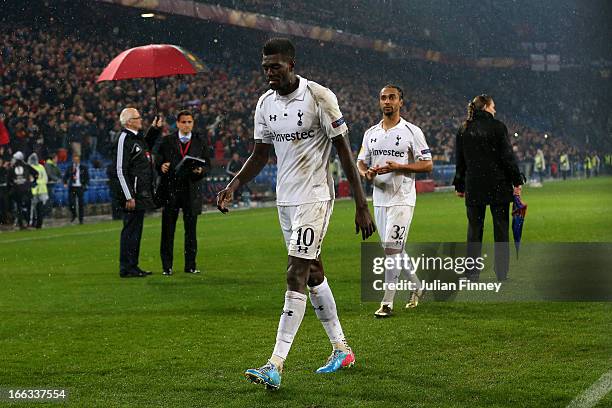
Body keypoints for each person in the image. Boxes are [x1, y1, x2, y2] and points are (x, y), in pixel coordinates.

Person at [216, 38, 375, 390]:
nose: (269, 73)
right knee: (314, 272)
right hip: (285, 201)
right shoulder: (264, 104)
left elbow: (345, 154)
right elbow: (260, 153)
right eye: (265, 67)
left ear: (291, 63)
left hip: (315, 198)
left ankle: (275, 364)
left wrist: (361, 205)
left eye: (275, 66)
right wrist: (234, 185)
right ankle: (341, 348)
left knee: (295, 273)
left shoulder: (319, 96)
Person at [357, 85, 433, 318]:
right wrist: (366, 173)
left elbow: (427, 164)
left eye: (392, 97)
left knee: (391, 248)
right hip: (380, 199)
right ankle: (418, 286)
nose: (387, 101)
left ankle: (387, 302)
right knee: (394, 249)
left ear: (401, 101)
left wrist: (400, 167)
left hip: (402, 198)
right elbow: (360, 161)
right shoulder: (371, 133)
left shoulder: (412, 131)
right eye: (383, 98)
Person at [453, 94, 524, 282]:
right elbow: (507, 158)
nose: (495, 110)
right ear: (485, 107)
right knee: (501, 230)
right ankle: (501, 273)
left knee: (474, 230)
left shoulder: (463, 129)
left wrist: (460, 184)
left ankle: (472, 273)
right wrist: (517, 181)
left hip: (474, 185)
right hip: (498, 185)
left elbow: (460, 161)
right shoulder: (498, 127)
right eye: (493, 106)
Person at [109, 108, 162, 278]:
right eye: (137, 117)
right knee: (130, 230)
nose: (141, 119)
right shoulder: (123, 138)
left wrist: (154, 129)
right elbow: (119, 169)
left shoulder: (135, 138)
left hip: (140, 192)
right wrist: (128, 195)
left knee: (135, 230)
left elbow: (145, 146)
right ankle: (126, 267)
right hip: (132, 194)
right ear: (128, 121)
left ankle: (133, 265)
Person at [156, 110, 210, 276]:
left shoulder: (200, 141)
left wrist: (201, 170)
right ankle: (167, 267)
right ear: (178, 124)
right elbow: (158, 160)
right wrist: (161, 166)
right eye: (184, 122)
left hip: (191, 190)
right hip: (171, 190)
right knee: (167, 231)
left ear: (193, 123)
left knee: (191, 231)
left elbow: (208, 165)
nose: (187, 125)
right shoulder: (166, 141)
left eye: (190, 122)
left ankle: (191, 265)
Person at [7, 151, 37, 230]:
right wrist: (33, 182)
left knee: (19, 208)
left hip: (17, 191)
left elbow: (9, 180)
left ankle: (21, 224)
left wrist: (11, 187)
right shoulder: (26, 166)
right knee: (28, 207)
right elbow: (36, 173)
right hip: (26, 190)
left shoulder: (12, 168)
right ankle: (28, 223)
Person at [63, 154, 89, 224]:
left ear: (79, 160)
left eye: (77, 160)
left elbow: (87, 177)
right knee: (71, 202)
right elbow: (65, 176)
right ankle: (74, 214)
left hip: (80, 187)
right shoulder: (70, 168)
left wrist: (85, 184)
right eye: (75, 160)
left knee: (81, 204)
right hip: (72, 187)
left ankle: (81, 219)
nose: (76, 161)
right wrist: (65, 182)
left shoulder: (83, 168)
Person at [28, 153, 48, 229]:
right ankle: (36, 223)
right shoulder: (38, 167)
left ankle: (36, 223)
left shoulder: (35, 167)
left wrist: (37, 183)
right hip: (37, 191)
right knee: (36, 209)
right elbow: (44, 179)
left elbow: (45, 179)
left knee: (36, 209)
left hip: (38, 191)